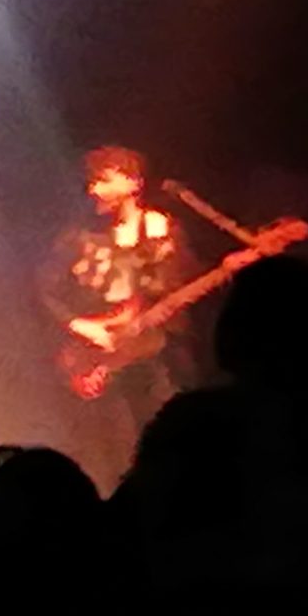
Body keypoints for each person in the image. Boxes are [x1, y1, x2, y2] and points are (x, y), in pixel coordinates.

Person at [41, 145, 188, 422]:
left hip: (146, 360)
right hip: (89, 358)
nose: (94, 190)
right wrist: (78, 324)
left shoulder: (160, 230)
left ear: (134, 182)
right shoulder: (79, 237)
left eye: (104, 180)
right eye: (92, 182)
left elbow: (170, 290)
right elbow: (46, 289)